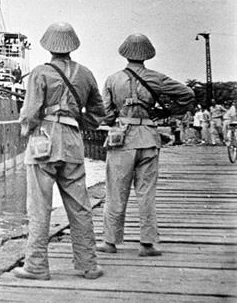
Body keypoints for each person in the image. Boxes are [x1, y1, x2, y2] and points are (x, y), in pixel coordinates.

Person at [15, 22, 105, 281]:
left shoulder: (40, 73)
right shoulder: (86, 74)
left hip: (43, 141)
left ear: (47, 46)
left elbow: (31, 112)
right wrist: (77, 123)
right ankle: (88, 266)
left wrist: (27, 130)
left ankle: (36, 266)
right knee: (80, 207)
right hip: (73, 142)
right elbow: (99, 112)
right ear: (72, 46)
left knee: (39, 208)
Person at [98, 33, 194, 257]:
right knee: (146, 193)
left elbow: (106, 114)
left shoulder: (113, 80)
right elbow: (187, 93)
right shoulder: (156, 78)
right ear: (147, 55)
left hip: (122, 139)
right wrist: (169, 112)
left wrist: (115, 118)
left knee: (115, 192)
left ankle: (110, 242)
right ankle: (147, 244)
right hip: (149, 138)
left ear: (124, 53)